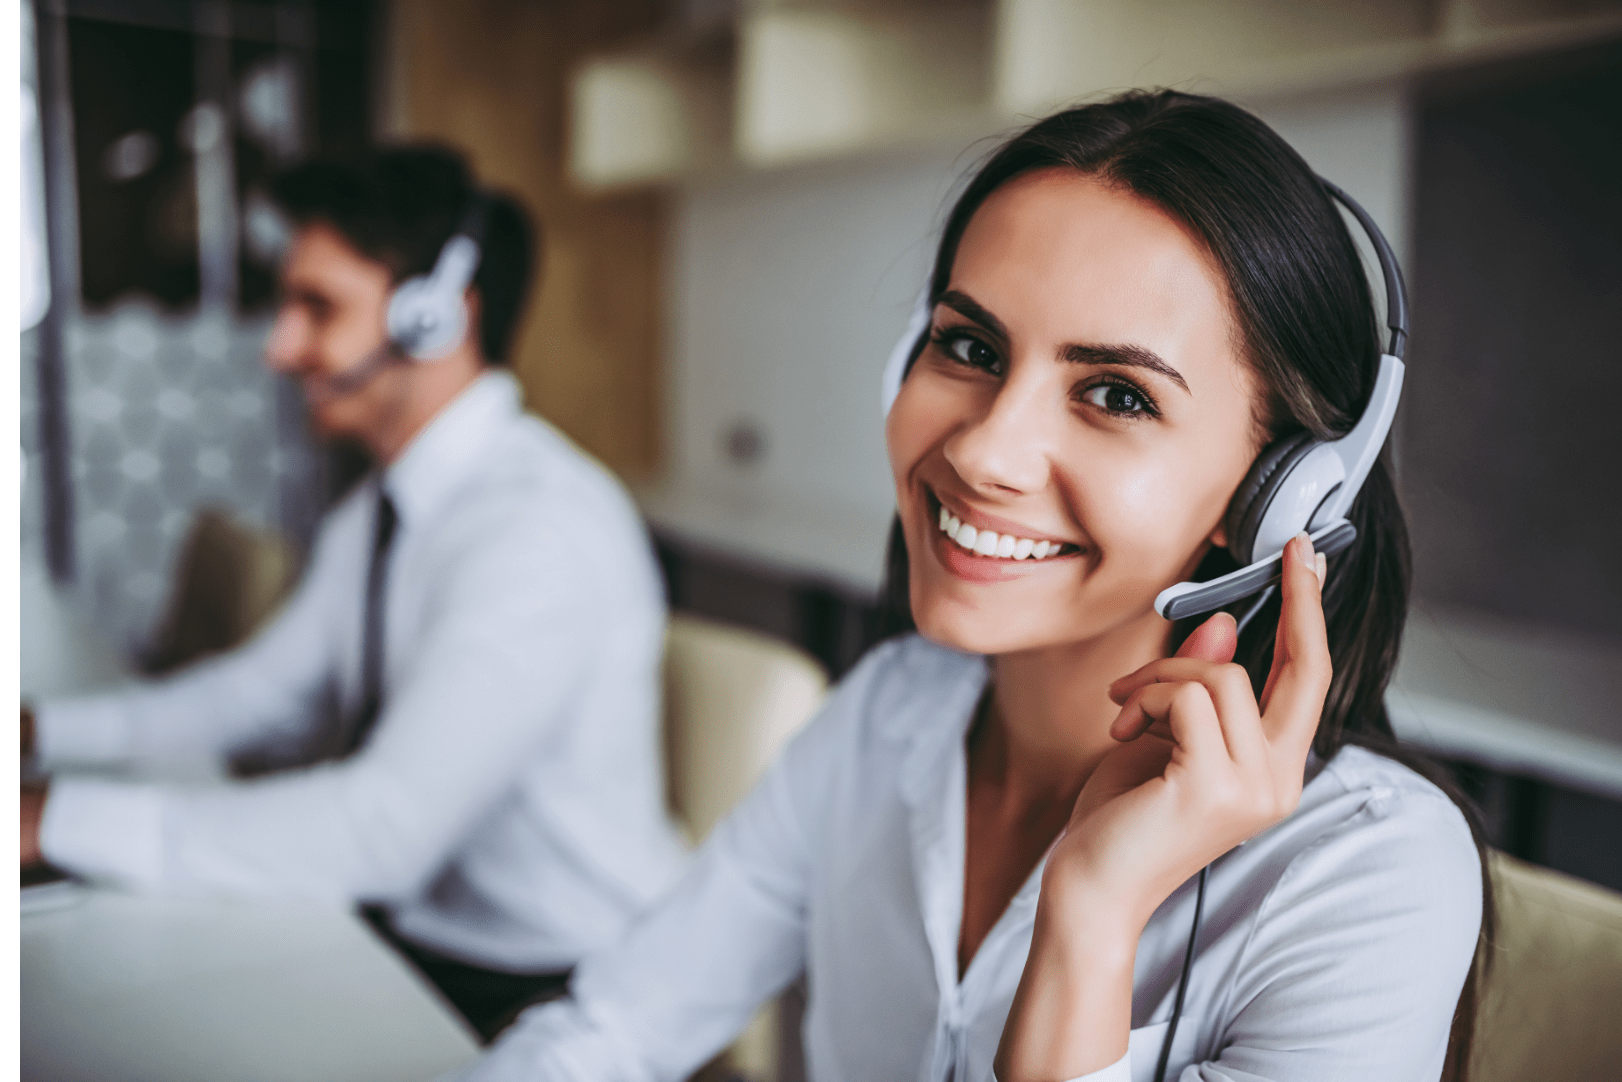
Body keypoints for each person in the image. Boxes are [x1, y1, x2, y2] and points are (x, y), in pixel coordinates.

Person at [449, 91, 1490, 1081]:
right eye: (968, 345)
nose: (986, 447)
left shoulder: (1368, 875)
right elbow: (612, 1028)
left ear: (1279, 494)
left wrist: (1089, 915)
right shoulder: (885, 715)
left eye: (1115, 393)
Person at [19, 147, 689, 1041]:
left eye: (317, 307)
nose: (279, 346)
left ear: (436, 319)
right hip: (423, 938)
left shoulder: (535, 531)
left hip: (553, 983)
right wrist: (41, 735)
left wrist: (54, 822)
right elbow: (257, 695)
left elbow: (381, 831)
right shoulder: (382, 507)